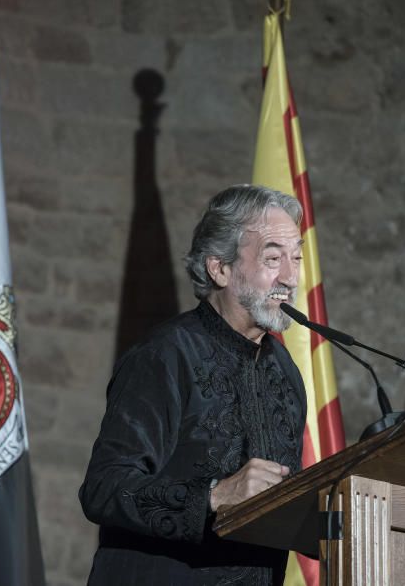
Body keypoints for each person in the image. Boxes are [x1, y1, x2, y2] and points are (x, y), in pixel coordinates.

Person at [79, 184, 308, 585]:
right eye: (273, 258)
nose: (290, 277)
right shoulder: (165, 356)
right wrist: (214, 497)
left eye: (297, 258)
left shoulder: (285, 373)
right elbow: (104, 488)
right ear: (219, 268)